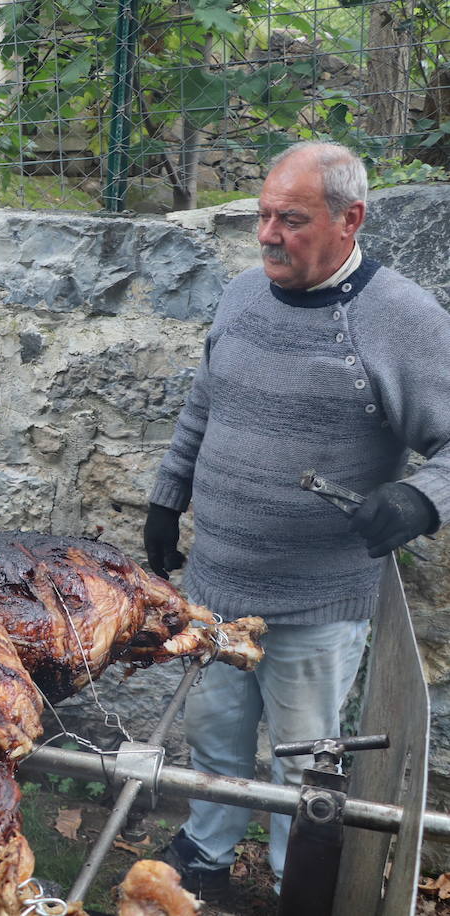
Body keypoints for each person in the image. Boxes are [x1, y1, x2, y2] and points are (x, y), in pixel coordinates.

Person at [144, 141, 450, 897]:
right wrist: (166, 495)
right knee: (212, 734)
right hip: (216, 580)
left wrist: (420, 498)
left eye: (291, 219)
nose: (268, 235)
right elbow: (204, 403)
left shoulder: (399, 318)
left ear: (351, 221)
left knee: (303, 755)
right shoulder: (244, 295)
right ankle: (208, 856)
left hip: (317, 601)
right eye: (262, 216)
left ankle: (292, 878)